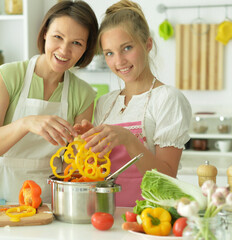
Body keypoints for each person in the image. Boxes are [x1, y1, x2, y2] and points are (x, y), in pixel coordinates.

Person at [0, 0, 98, 203]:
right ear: (44, 34)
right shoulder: (8, 76)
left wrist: (84, 149)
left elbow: (73, 168)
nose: (64, 50)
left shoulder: (83, 94)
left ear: (86, 49)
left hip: (48, 200)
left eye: (77, 43)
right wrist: (26, 123)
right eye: (58, 37)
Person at [74, 0, 192, 207]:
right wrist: (87, 144)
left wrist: (129, 140)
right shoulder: (105, 102)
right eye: (109, 53)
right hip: (107, 214)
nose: (118, 61)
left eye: (126, 48)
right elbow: (100, 171)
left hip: (152, 218)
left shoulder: (167, 99)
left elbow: (167, 178)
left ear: (147, 44)